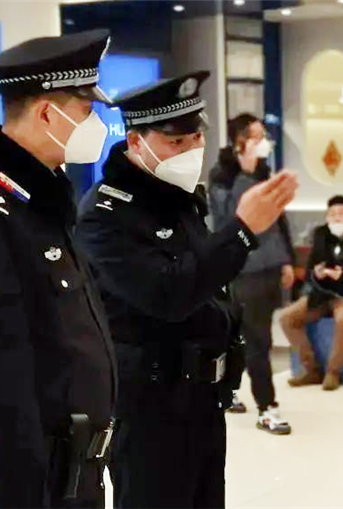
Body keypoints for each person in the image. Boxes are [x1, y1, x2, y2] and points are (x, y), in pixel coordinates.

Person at [75, 72, 298, 508]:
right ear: (136, 142)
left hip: (202, 398)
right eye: (175, 141)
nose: (191, 150)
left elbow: (208, 285)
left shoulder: (180, 199)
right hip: (150, 406)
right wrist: (242, 231)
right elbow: (169, 294)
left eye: (196, 137)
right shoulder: (105, 214)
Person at [0, 30, 117, 508]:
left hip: (71, 473)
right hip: (34, 486)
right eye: (86, 110)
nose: (96, 124)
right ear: (47, 113)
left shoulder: (37, 200)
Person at [208, 113, 295, 433]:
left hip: (270, 265)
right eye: (257, 137)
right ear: (240, 142)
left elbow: (277, 219)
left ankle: (231, 391)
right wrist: (244, 172)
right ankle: (267, 406)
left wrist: (286, 259)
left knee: (249, 336)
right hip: (244, 268)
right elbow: (232, 219)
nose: (264, 143)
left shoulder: (263, 172)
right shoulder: (222, 176)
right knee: (254, 338)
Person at [280, 195, 343, 391]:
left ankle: (333, 372)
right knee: (287, 318)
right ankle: (311, 369)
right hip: (323, 294)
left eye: (342, 214)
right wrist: (317, 273)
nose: (337, 218)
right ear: (326, 217)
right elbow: (310, 271)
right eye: (332, 214)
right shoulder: (321, 235)